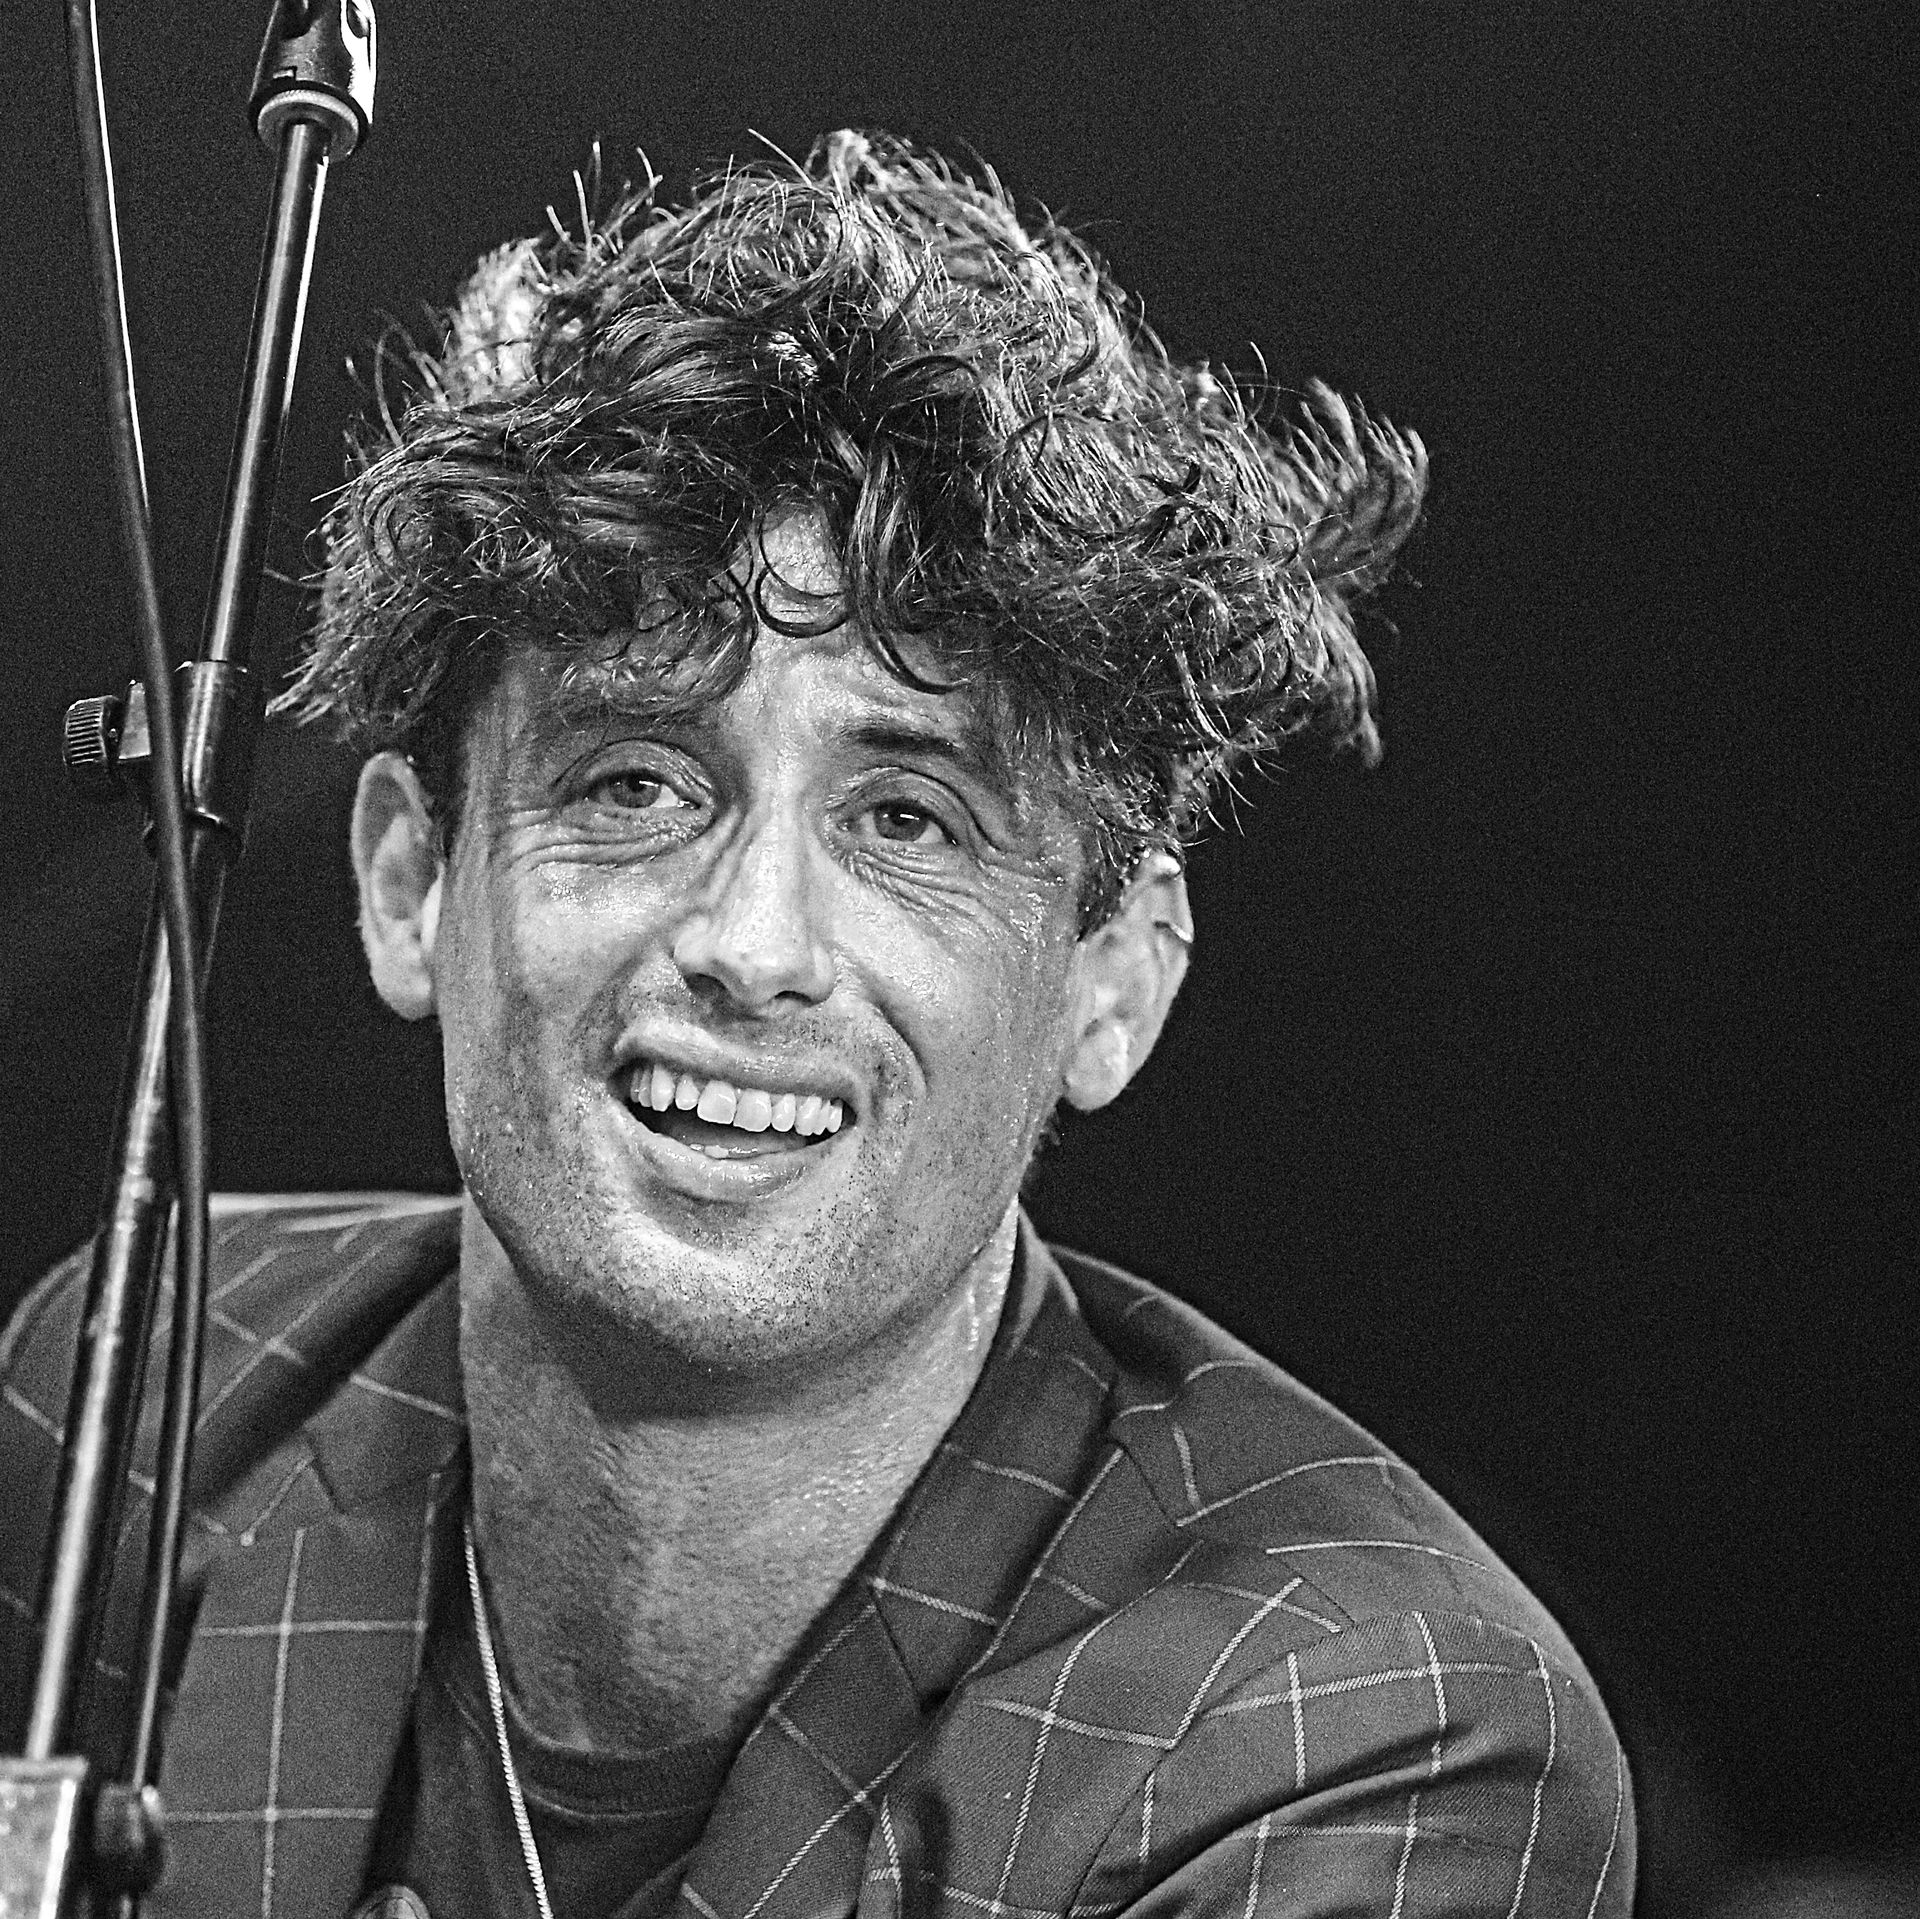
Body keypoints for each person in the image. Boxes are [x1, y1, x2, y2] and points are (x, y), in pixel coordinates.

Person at [1, 132, 1633, 1917]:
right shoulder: (135, 1391)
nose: (754, 945)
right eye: (633, 782)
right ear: (409, 881)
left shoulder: (1358, 1724)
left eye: (908, 820)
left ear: (1114, 979)